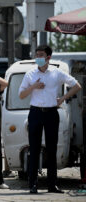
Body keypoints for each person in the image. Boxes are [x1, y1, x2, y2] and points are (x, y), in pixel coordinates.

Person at [19, 45, 82, 194]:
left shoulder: (57, 73)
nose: (38, 58)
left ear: (48, 57)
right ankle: (32, 184)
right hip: (35, 113)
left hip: (51, 112)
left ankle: (52, 185)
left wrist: (63, 99)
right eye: (37, 55)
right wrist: (33, 86)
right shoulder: (30, 74)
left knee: (52, 149)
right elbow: (21, 95)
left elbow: (76, 86)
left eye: (41, 55)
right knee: (34, 149)